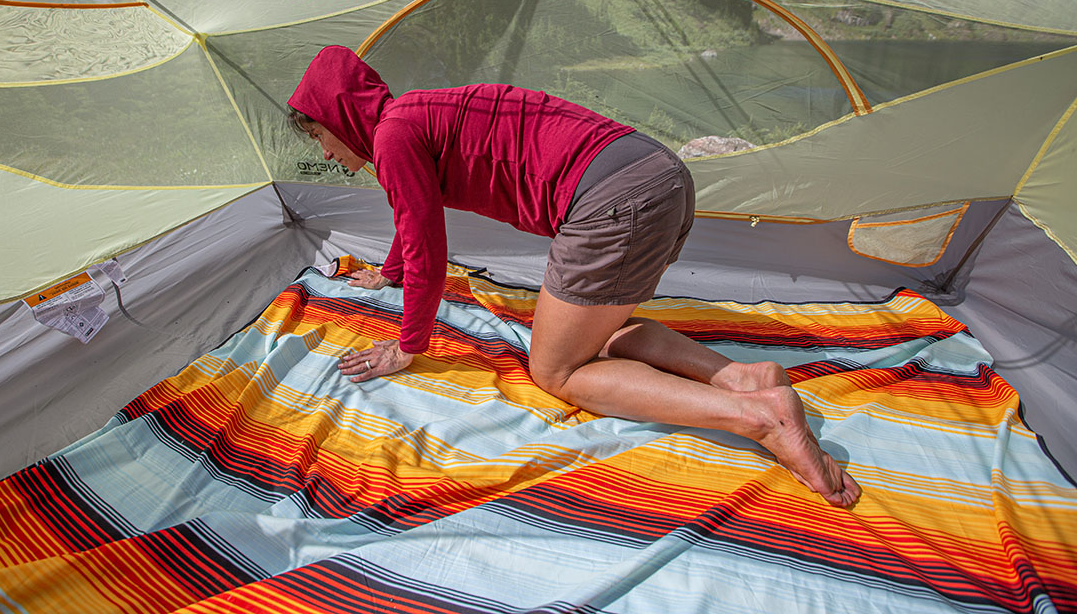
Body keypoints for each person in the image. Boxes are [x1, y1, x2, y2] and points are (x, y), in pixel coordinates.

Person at [288, 45, 860, 508]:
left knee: (556, 370)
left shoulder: (391, 138)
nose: (326, 154)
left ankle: (757, 419)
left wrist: (408, 346)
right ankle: (742, 377)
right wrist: (389, 275)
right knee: (599, 338)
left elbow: (428, 252)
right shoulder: (416, 112)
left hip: (614, 205)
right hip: (661, 175)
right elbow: (411, 218)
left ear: (339, 116)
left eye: (318, 136)